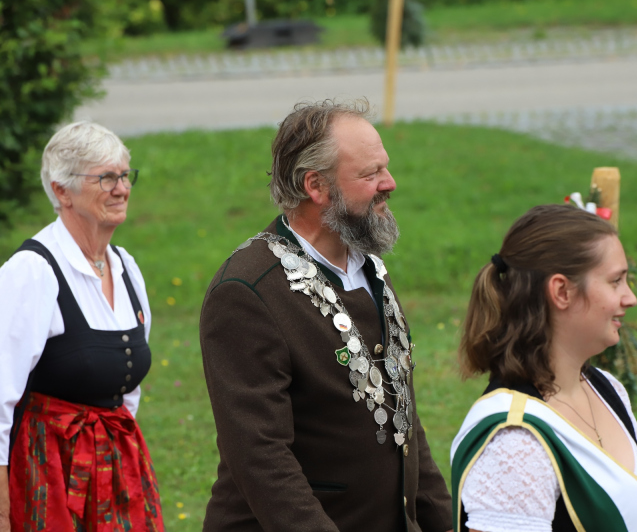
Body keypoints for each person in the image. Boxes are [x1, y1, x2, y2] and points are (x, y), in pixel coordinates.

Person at [199, 100, 453, 532]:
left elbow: (403, 419)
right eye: (370, 174)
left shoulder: (369, 269)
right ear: (315, 186)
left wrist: (439, 522)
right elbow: (261, 457)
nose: (389, 183)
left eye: (385, 168)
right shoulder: (246, 291)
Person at [0, 122, 163, 532]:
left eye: (125, 175)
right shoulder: (32, 272)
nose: (121, 189)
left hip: (116, 463)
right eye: (106, 178)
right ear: (62, 191)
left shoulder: (125, 267)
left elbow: (126, 391)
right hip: (46, 468)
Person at [450, 204, 637, 532]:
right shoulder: (516, 442)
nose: (630, 298)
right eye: (616, 281)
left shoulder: (606, 389)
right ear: (561, 291)